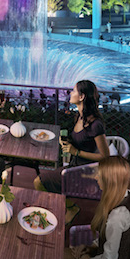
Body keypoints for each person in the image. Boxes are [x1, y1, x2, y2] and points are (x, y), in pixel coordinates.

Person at [35, 80, 110, 224]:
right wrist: (67, 143)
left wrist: (76, 152)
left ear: (81, 97)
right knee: (44, 181)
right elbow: (82, 141)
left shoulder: (95, 125)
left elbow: (105, 157)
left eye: (74, 91)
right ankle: (67, 206)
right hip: (74, 166)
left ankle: (68, 207)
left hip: (84, 172)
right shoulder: (80, 117)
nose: (70, 93)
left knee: (38, 182)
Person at [66, 156, 130, 259]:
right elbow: (110, 238)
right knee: (61, 255)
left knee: (58, 258)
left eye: (99, 176)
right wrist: (90, 246)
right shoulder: (128, 194)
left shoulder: (118, 216)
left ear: (110, 181)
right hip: (102, 254)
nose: (96, 178)